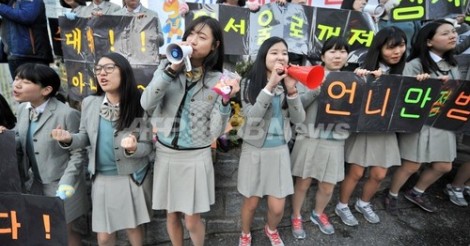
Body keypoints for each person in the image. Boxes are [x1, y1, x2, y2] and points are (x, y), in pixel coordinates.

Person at [141, 16, 239, 246]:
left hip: (196, 156)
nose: (193, 40)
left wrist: (225, 102)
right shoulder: (165, 68)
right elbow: (146, 103)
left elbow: (215, 131)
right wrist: (171, 69)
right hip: (166, 153)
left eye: (202, 37)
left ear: (214, 46)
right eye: (191, 34)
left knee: (193, 220)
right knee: (171, 214)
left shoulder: (220, 80)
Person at [51, 52, 153, 246]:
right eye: (98, 69)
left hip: (131, 177)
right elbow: (84, 137)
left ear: (124, 72)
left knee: (133, 228)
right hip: (102, 179)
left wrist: (132, 148)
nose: (101, 74)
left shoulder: (140, 104)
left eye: (108, 68)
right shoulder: (90, 103)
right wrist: (68, 139)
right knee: (104, 236)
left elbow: (147, 147)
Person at [7, 63, 88, 246]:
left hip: (64, 186)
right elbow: (19, 136)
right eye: (17, 79)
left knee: (66, 232)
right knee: (47, 232)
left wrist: (67, 184)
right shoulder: (22, 109)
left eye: (25, 81)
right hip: (37, 184)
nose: (16, 85)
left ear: (46, 90)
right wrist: (5, 135)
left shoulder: (67, 114)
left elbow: (78, 153)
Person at [237, 36, 305, 246]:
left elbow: (299, 120)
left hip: (279, 152)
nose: (280, 57)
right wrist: (271, 85)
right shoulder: (249, 83)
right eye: (274, 52)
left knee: (277, 207)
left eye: (284, 53)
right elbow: (253, 118)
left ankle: (271, 229)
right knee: (251, 203)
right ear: (264, 56)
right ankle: (245, 233)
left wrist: (292, 90)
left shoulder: (290, 82)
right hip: (254, 151)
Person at [335, 26, 406, 226]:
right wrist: (357, 77)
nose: (397, 52)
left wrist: (422, 81)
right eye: (391, 47)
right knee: (356, 172)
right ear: (379, 48)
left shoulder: (404, 70)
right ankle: (342, 205)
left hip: (386, 129)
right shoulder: (362, 65)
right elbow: (346, 96)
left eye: (401, 46)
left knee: (379, 174)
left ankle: (363, 203)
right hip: (365, 128)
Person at [386, 20, 459, 213]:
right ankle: (392, 194)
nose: (452, 36)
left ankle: (417, 191)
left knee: (444, 165)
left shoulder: (452, 64)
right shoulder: (415, 65)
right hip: (418, 122)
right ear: (428, 41)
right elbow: (402, 95)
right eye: (445, 33)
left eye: (453, 32)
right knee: (411, 164)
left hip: (442, 122)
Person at [290, 37, 349, 239]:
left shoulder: (353, 80)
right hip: (309, 136)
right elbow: (297, 106)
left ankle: (318, 213)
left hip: (336, 138)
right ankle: (296, 216)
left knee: (328, 184)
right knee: (303, 182)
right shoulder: (310, 74)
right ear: (322, 56)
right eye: (332, 51)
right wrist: (316, 89)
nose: (337, 55)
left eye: (342, 51)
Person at [0, 0, 53, 79]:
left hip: (32, 56)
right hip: (13, 55)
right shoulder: (7, 3)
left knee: (37, 87)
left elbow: (27, 16)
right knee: (19, 88)